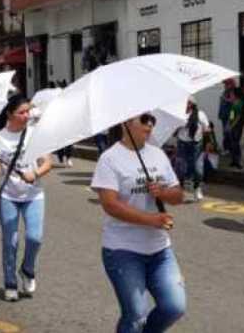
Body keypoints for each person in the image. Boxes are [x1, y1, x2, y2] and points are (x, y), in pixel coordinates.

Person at [91, 113, 186, 333]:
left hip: (159, 249)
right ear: (125, 123)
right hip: (122, 250)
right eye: (144, 119)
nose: (150, 124)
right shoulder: (109, 159)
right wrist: (152, 220)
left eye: (152, 119)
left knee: (174, 307)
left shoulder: (158, 155)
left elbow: (179, 196)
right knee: (135, 313)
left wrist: (162, 192)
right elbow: (110, 205)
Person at [0, 95, 53, 302]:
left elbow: (47, 162)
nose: (26, 116)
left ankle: (27, 270)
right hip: (9, 196)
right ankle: (10, 282)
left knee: (35, 238)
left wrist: (36, 173)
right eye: (21, 112)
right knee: (10, 242)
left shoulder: (35, 134)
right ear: (10, 114)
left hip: (34, 195)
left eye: (28, 112)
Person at [175, 97, 211, 201]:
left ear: (191, 104)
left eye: (187, 102)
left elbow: (207, 128)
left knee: (197, 167)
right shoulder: (180, 114)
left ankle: (197, 188)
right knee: (181, 167)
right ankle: (180, 190)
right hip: (182, 143)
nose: (185, 104)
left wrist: (207, 141)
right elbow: (175, 131)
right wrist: (180, 125)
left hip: (196, 144)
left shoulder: (200, 114)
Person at [227, 88, 244, 169]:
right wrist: (229, 122)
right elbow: (231, 114)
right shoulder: (234, 103)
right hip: (232, 126)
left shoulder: (239, 103)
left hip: (237, 126)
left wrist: (232, 125)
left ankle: (237, 161)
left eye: (231, 94)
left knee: (236, 143)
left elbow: (238, 116)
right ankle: (234, 160)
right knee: (232, 143)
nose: (230, 96)